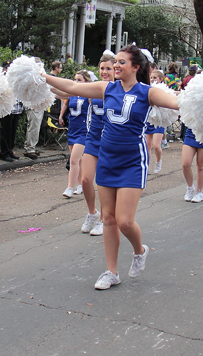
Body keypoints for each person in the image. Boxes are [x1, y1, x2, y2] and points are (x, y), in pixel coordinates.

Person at [43, 45, 179, 290]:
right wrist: (41, 76)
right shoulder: (106, 88)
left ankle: (139, 250)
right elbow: (72, 87)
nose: (116, 66)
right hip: (107, 158)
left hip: (132, 162)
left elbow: (177, 103)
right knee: (108, 218)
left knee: (125, 221)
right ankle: (111, 271)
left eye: (122, 62)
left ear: (136, 67)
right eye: (115, 61)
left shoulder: (148, 93)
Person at [78, 53, 115, 236]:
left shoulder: (118, 89)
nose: (105, 72)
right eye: (102, 68)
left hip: (109, 141)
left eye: (108, 68)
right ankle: (93, 213)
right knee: (85, 179)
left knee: (103, 182)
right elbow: (70, 90)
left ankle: (103, 220)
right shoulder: (95, 88)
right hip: (92, 138)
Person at [59, 70, 91, 197]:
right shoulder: (72, 93)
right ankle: (81, 184)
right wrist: (61, 116)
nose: (76, 82)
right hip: (72, 128)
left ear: (86, 82)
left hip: (84, 130)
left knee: (73, 160)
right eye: (75, 79)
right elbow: (65, 104)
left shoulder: (89, 95)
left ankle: (69, 188)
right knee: (78, 160)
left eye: (79, 80)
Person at [23, 57, 50, 160]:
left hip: (39, 103)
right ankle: (29, 148)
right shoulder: (31, 75)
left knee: (37, 126)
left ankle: (32, 146)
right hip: (33, 104)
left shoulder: (40, 73)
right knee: (33, 126)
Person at [146, 69, 167, 173]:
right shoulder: (148, 89)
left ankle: (158, 161)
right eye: (151, 78)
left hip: (159, 121)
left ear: (161, 79)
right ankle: (147, 166)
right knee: (147, 145)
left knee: (156, 146)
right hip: (149, 120)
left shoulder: (164, 90)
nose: (153, 80)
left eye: (155, 78)